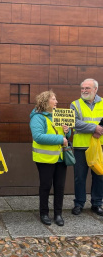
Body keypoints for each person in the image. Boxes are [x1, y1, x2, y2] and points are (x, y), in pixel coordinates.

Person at [30, 90, 71, 226]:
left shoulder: (58, 115)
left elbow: (66, 135)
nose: (56, 102)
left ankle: (58, 214)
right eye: (53, 99)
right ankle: (44, 213)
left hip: (60, 157)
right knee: (46, 186)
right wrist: (60, 138)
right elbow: (38, 136)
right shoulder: (37, 117)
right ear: (45, 101)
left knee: (59, 187)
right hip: (45, 158)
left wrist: (67, 130)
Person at [70, 78, 103, 216]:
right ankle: (79, 203)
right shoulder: (75, 104)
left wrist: (100, 131)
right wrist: (94, 128)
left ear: (95, 89)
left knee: (99, 175)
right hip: (80, 146)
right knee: (79, 177)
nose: (84, 91)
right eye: (82, 88)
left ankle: (97, 203)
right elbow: (74, 123)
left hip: (99, 145)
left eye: (87, 88)